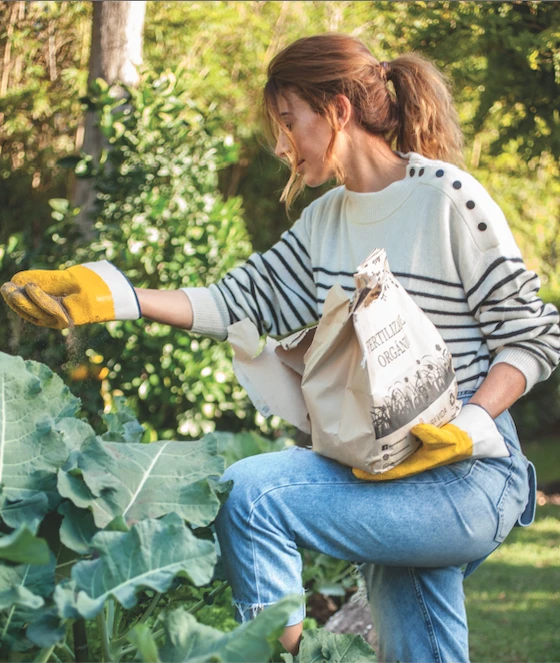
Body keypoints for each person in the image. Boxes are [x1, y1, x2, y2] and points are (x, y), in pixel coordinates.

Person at [2, 34, 559, 662]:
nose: (279, 143)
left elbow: (532, 335)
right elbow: (236, 300)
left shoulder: (448, 200)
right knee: (420, 648)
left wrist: (471, 424)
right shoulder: (324, 223)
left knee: (254, 494)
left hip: (470, 477)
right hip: (386, 470)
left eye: (288, 121)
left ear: (337, 112)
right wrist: (113, 295)